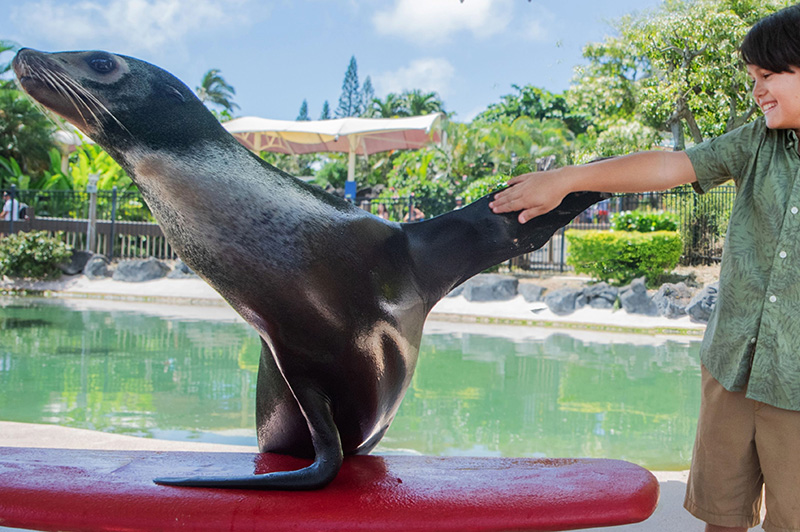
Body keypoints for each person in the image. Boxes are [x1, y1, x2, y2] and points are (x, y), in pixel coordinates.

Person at [490, 6, 800, 532]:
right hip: (731, 369)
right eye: (752, 79)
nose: (757, 91)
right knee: (720, 516)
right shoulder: (755, 141)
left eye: (768, 76)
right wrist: (569, 179)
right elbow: (669, 164)